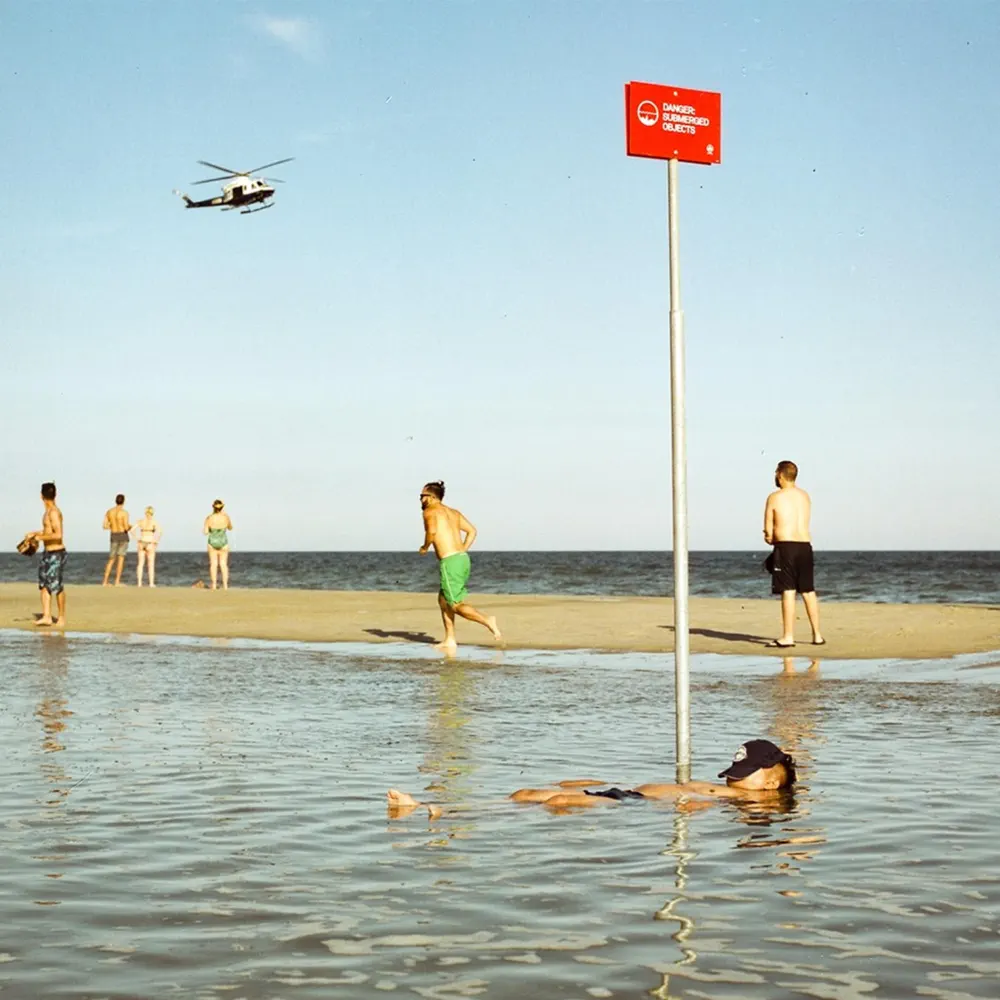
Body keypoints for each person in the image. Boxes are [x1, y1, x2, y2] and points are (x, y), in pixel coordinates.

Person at [387, 739, 796, 818]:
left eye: (743, 774)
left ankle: (439, 811)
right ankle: (438, 806)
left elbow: (691, 807)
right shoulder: (730, 792)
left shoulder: (744, 802)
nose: (733, 779)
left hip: (634, 806)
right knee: (526, 792)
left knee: (558, 804)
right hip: (625, 792)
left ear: (768, 783)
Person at [418, 481, 501, 652]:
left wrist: (425, 547)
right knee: (443, 600)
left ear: (432, 497)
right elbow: (472, 531)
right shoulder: (453, 512)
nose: (420, 500)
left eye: (422, 496)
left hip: (450, 562)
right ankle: (450, 639)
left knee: (455, 604)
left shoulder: (430, 511)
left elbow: (432, 532)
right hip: (462, 559)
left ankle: (487, 620)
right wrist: (462, 549)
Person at [763, 461, 824, 648]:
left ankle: (788, 636)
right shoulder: (805, 496)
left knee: (788, 590)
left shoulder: (774, 497)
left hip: (786, 546)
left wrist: (769, 536)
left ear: (780, 475)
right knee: (808, 590)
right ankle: (817, 634)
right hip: (805, 546)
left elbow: (768, 530)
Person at [21, 482, 67, 628]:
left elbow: (58, 534)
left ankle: (61, 617)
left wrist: (39, 538)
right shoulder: (48, 512)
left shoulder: (53, 512)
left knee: (56, 586)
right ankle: (47, 616)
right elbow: (48, 531)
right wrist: (34, 533)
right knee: (43, 585)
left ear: (41, 496)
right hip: (47, 552)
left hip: (57, 553)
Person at [102, 493, 131, 587]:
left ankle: (105, 581)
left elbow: (105, 526)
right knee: (120, 559)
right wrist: (130, 527)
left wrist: (113, 526)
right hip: (122, 535)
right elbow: (126, 527)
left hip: (114, 535)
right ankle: (117, 581)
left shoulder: (109, 512)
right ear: (123, 501)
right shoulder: (124, 513)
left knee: (111, 559)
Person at [203, 499, 233, 590]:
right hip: (223, 542)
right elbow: (230, 527)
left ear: (213, 507)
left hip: (212, 542)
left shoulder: (209, 518)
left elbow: (205, 532)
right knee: (223, 564)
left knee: (213, 564)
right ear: (222, 507)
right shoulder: (226, 517)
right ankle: (225, 586)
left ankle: (214, 585)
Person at [133, 506, 161, 587]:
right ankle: (151, 583)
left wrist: (137, 538)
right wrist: (156, 541)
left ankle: (139, 583)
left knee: (140, 563)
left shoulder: (141, 521)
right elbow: (160, 532)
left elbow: (132, 530)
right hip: (150, 543)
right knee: (151, 564)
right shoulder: (154, 522)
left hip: (142, 542)